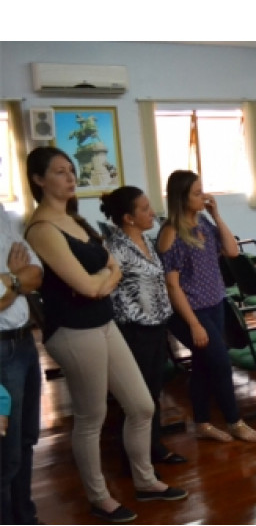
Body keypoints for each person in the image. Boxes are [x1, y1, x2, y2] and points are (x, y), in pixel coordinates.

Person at [25, 147, 186, 523]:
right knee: (91, 417)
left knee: (142, 405)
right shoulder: (42, 229)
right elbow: (89, 285)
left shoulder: (78, 222)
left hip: (104, 322)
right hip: (72, 331)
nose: (70, 178)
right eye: (61, 172)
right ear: (38, 179)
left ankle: (145, 481)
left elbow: (110, 271)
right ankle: (100, 497)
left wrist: (103, 281)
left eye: (71, 171)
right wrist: (103, 281)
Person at [157, 170, 256, 444]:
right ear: (181, 198)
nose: (203, 196)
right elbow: (172, 286)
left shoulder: (203, 221)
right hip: (191, 312)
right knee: (220, 363)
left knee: (204, 365)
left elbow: (232, 251)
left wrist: (217, 215)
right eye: (196, 192)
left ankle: (203, 423)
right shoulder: (171, 233)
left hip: (215, 304)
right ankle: (234, 421)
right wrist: (193, 323)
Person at [101, 187, 184, 465]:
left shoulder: (147, 240)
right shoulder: (116, 248)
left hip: (156, 327)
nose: (152, 212)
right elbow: (108, 289)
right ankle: (135, 459)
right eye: (145, 209)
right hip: (134, 331)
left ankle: (154, 447)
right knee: (138, 399)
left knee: (153, 391)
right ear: (128, 217)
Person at [0, 202, 43, 525]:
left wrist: (11, 280)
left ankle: (24, 516)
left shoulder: (4, 214)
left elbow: (36, 273)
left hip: (25, 342)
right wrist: (18, 280)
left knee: (26, 439)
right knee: (5, 451)